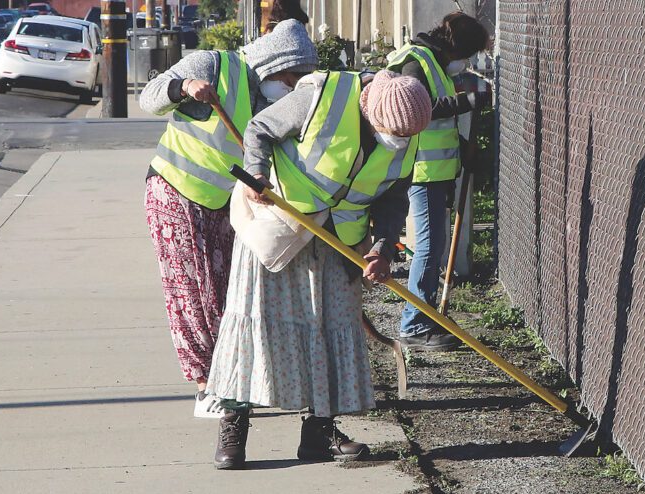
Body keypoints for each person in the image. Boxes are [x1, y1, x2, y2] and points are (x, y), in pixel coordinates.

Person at [205, 69, 432, 469]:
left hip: (340, 241)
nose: (397, 142)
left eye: (405, 137)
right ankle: (233, 427)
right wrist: (257, 172)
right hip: (278, 227)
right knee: (255, 323)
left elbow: (394, 197)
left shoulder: (408, 132)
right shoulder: (320, 97)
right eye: (390, 133)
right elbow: (259, 129)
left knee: (334, 327)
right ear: (368, 110)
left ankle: (319, 433)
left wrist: (382, 249)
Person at [140, 20, 319, 418]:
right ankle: (206, 389)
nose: (291, 88)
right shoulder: (214, 66)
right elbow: (149, 98)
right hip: (175, 191)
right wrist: (182, 87)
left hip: (224, 204)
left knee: (224, 294)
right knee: (191, 294)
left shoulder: (270, 101)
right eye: (290, 78)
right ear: (274, 65)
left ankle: (229, 381)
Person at [386, 12, 490, 351]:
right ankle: (414, 326)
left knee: (436, 247)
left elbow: (436, 126)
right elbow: (420, 109)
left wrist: (461, 150)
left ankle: (425, 315)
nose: (466, 63)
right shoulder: (416, 63)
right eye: (467, 55)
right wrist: (469, 101)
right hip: (421, 171)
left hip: (436, 170)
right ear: (456, 48)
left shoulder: (431, 63)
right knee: (430, 247)